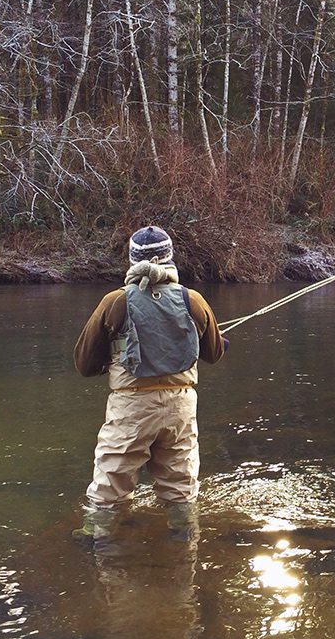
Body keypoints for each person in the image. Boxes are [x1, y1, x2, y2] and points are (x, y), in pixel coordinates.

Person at [73, 225, 227, 543]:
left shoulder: (114, 302)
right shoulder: (192, 300)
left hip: (131, 406)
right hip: (181, 405)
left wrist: (111, 360)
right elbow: (214, 353)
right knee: (181, 485)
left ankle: (95, 540)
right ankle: (184, 544)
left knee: (111, 482)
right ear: (170, 258)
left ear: (131, 260)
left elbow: (85, 365)